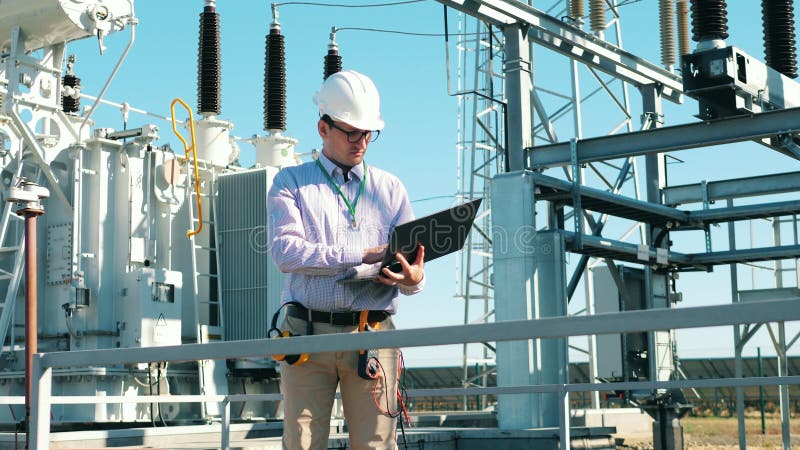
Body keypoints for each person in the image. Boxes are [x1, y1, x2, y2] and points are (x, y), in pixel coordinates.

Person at [267, 69, 425, 450]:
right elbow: (285, 252)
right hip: (306, 336)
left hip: (372, 333)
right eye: (351, 132)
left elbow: (416, 271)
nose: (362, 142)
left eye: (368, 133)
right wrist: (361, 253)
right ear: (323, 128)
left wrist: (413, 278)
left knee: (375, 445)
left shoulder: (390, 189)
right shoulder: (290, 183)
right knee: (302, 444)